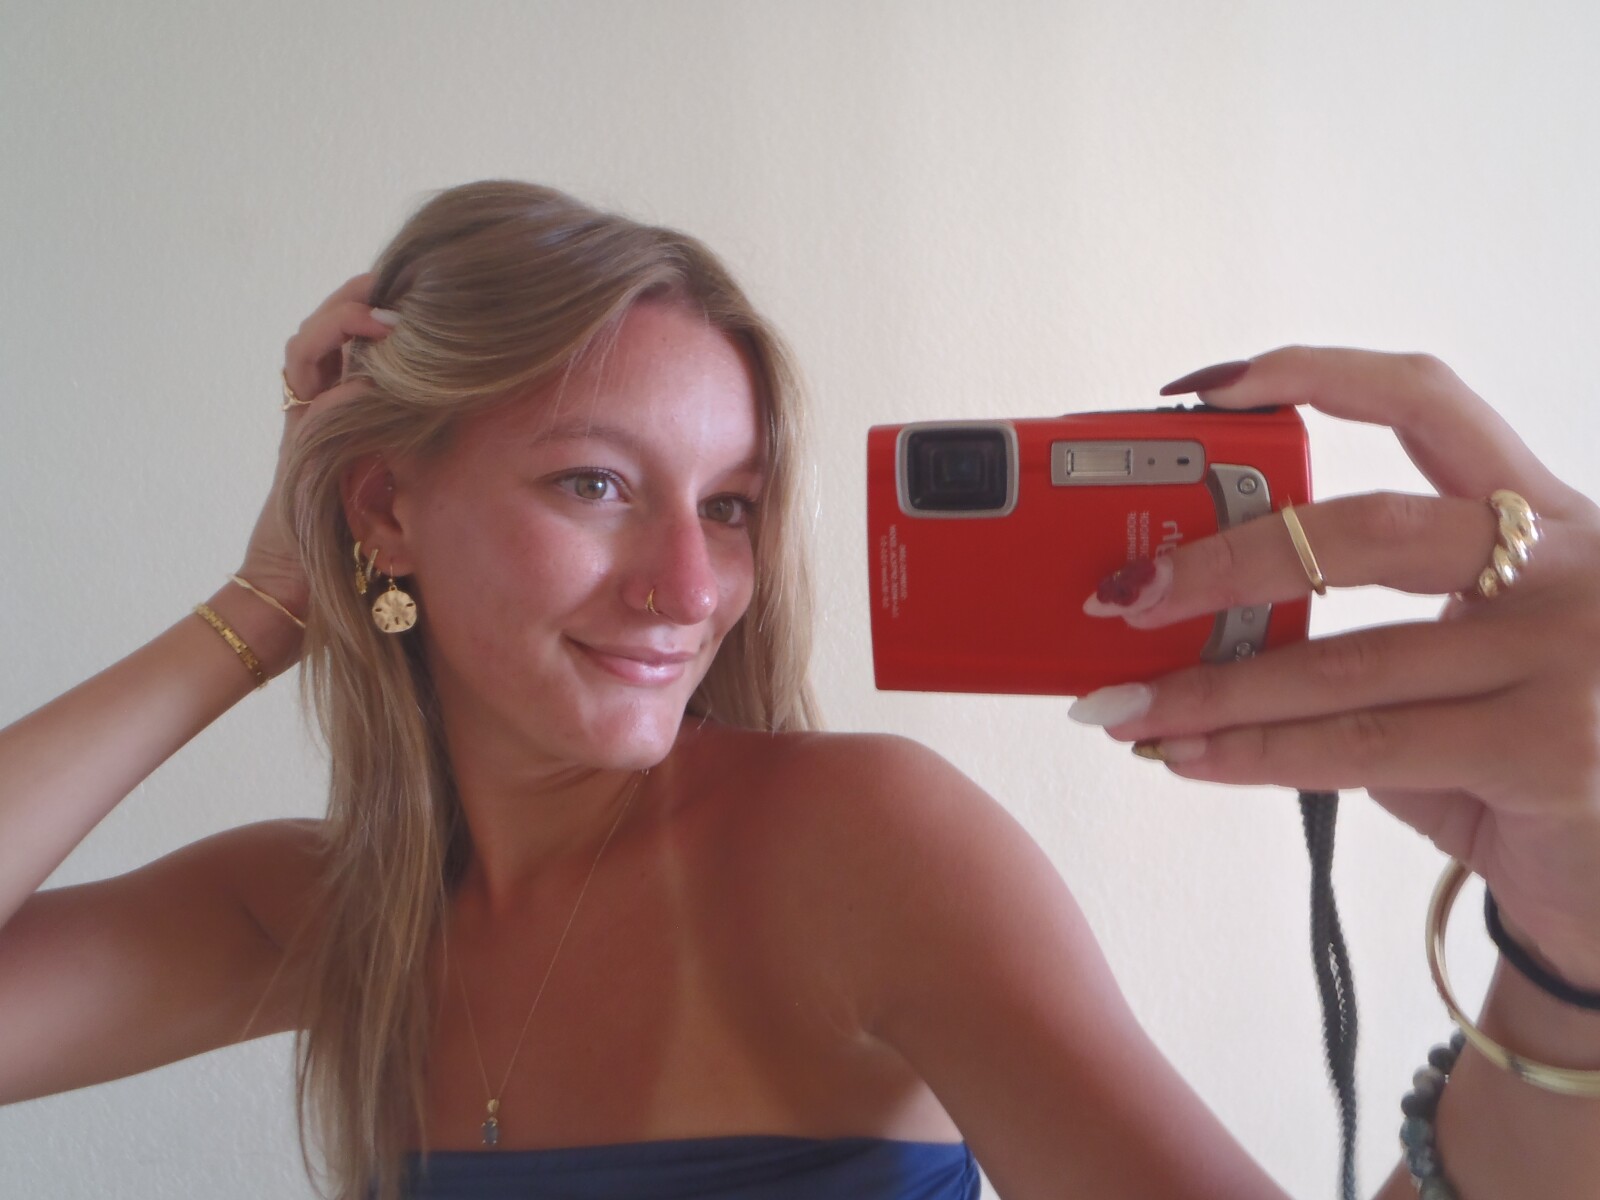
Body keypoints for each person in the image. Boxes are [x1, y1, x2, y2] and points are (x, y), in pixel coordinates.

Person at [0, 180, 1596, 1200]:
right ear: (386, 507)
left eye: (731, 505)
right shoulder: (336, 918)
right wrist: (266, 604)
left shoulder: (856, 848)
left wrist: (1568, 953)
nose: (691, 588)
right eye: (594, 485)